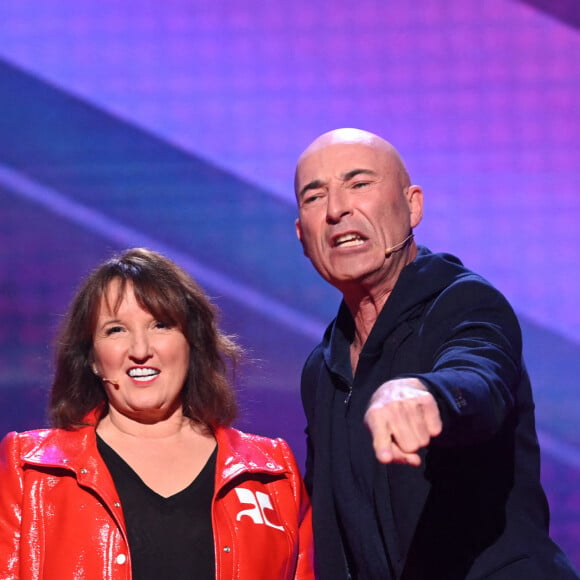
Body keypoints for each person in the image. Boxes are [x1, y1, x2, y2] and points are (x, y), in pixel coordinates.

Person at [293, 128, 579, 579]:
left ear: (413, 206)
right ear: (301, 235)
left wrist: (428, 394)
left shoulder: (464, 301)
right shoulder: (321, 369)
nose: (336, 210)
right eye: (314, 197)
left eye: (359, 184)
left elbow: (479, 374)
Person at [0, 247, 314, 580]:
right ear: (92, 358)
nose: (140, 351)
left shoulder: (272, 473)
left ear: (192, 344)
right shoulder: (30, 469)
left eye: (160, 325)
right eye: (116, 330)